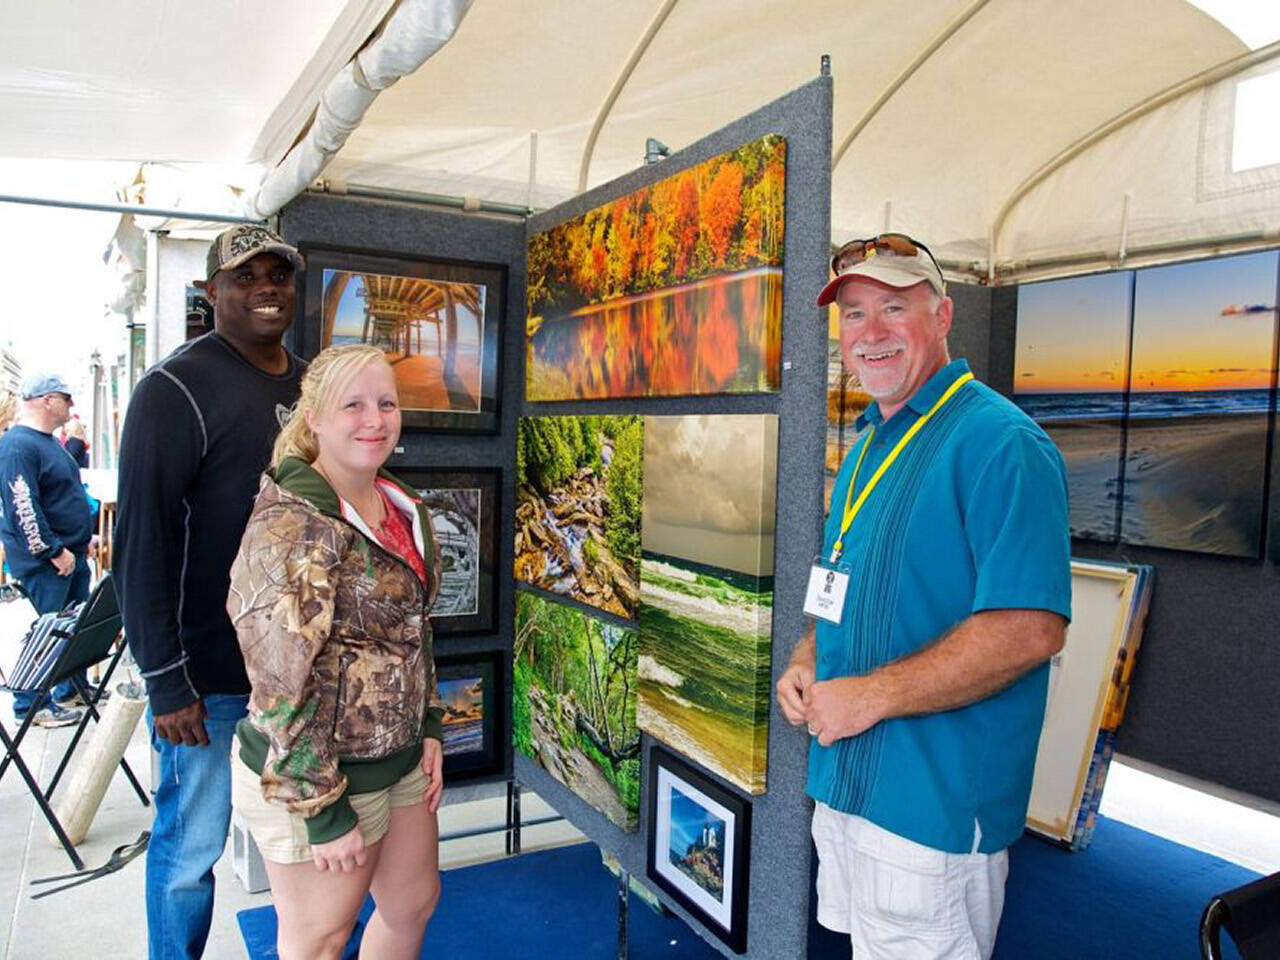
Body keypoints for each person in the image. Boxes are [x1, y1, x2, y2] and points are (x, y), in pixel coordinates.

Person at [777, 233, 1071, 959]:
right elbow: (843, 582)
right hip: (848, 783)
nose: (869, 334)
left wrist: (869, 696)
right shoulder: (872, 439)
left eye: (892, 308)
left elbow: (1030, 629)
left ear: (942, 316)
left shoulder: (1002, 444)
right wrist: (809, 654)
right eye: (852, 314)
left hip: (930, 811)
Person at [114, 224, 305, 960]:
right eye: (246, 275)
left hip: (297, 672)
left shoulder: (311, 383)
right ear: (211, 292)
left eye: (279, 274)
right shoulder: (173, 389)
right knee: (191, 849)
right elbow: (141, 545)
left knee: (305, 842)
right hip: (209, 677)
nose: (267, 287)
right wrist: (166, 681)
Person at [228, 344, 445, 959]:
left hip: (398, 762)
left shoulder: (400, 507)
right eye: (353, 405)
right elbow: (279, 682)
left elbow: (414, 631)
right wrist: (322, 810)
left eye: (386, 403)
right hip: (319, 778)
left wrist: (428, 725)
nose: (374, 420)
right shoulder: (293, 523)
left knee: (411, 904)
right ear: (314, 417)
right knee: (318, 941)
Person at [0, 373, 94, 727]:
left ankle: (71, 689)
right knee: (44, 632)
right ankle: (30, 706)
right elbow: (23, 506)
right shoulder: (18, 446)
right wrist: (52, 552)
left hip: (71, 553)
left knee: (74, 629)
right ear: (46, 400)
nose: (70, 405)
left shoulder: (46, 442)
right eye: (66, 398)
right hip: (49, 562)